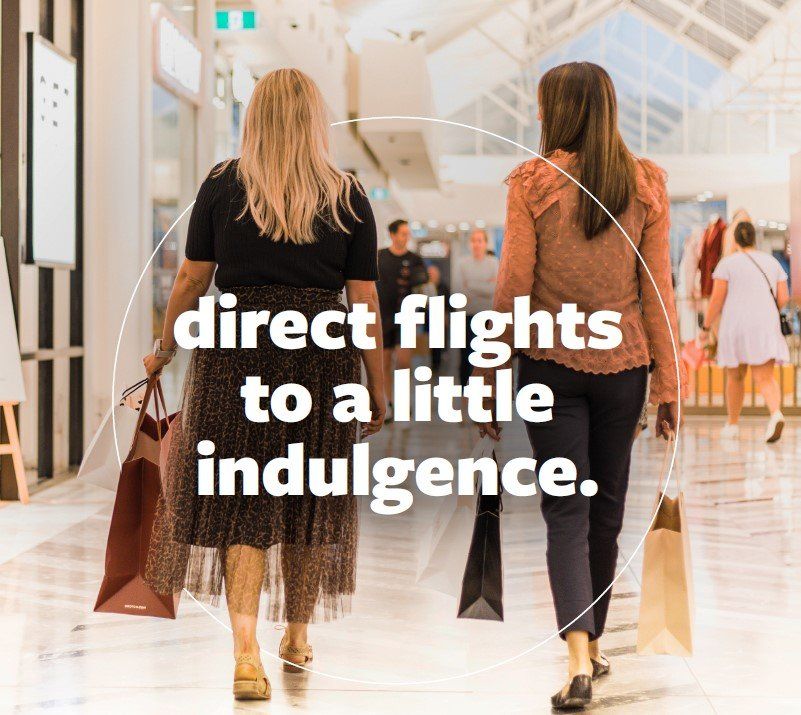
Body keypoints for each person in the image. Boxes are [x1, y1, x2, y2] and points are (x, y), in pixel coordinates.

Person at [141, 68, 385, 701]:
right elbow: (363, 302)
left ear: (254, 118)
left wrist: (165, 347)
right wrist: (378, 387)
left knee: (241, 501)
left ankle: (246, 652)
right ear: (314, 119)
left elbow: (191, 281)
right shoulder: (347, 194)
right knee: (309, 496)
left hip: (236, 353)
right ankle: (297, 634)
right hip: (320, 359)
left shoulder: (223, 187)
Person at [476, 62, 684, 710]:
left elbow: (512, 286)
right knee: (605, 511)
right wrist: (668, 383)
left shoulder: (532, 183)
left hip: (549, 367)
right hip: (623, 369)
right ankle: (590, 646)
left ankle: (576, 656)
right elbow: (657, 291)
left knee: (563, 511)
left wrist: (486, 376)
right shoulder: (644, 183)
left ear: (556, 111)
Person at [700, 221, 790, 443]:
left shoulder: (727, 264)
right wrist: (769, 311)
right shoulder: (772, 262)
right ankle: (775, 414)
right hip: (765, 325)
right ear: (754, 238)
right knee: (765, 377)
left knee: (735, 376)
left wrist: (706, 326)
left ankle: (732, 425)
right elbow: (783, 296)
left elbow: (717, 299)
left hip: (736, 326)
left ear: (736, 240)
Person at [377, 219, 427, 421]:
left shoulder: (415, 259)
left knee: (404, 362)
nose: (406, 237)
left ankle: (403, 400)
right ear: (392, 234)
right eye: (403, 233)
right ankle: (389, 403)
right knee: (385, 362)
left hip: (406, 317)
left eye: (408, 234)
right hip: (383, 315)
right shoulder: (379, 257)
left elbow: (423, 287)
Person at [453, 229, 499, 386]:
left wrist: (471, 284)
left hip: (487, 316)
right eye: (473, 240)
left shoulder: (493, 263)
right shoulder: (461, 263)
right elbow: (459, 291)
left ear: (485, 243)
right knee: (466, 354)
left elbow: (494, 290)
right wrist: (485, 285)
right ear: (469, 244)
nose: (476, 244)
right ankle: (465, 388)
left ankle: (484, 387)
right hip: (465, 315)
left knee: (486, 353)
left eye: (480, 240)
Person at [424, 264, 450, 372]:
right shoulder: (424, 286)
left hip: (440, 316)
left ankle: (437, 362)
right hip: (427, 316)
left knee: (438, 341)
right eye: (430, 273)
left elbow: (448, 303)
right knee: (429, 340)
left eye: (434, 273)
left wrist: (446, 315)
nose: (432, 275)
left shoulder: (444, 287)